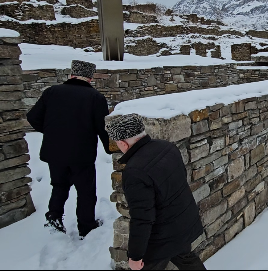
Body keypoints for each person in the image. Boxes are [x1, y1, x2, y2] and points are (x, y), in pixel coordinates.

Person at [105, 113, 206, 270]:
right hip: (183, 222)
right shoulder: (167, 147)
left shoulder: (134, 171)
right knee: (186, 259)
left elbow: (142, 218)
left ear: (123, 144)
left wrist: (135, 256)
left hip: (162, 238)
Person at [26, 60, 111, 238]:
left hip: (54, 152)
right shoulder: (95, 98)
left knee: (59, 186)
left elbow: (33, 117)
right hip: (82, 154)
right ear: (90, 77)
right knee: (86, 191)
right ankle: (86, 226)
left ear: (71, 75)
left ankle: (54, 218)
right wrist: (111, 148)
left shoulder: (51, 92)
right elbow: (102, 128)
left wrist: (51, 132)